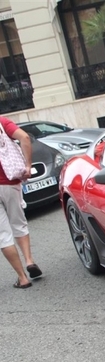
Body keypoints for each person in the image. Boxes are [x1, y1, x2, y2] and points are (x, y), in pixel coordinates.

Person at [0, 116, 42, 289]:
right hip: (9, 182)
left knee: (3, 235)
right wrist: (28, 165)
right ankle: (29, 261)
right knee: (19, 223)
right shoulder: (2, 122)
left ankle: (22, 278)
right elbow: (24, 137)